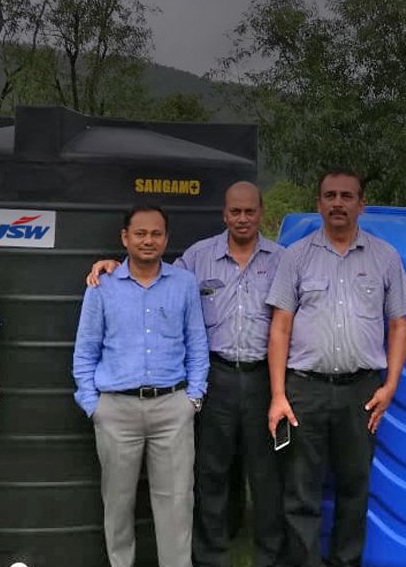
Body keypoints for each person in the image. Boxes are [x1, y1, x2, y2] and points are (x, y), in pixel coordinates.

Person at [86, 181, 286, 566]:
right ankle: (210, 557)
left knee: (265, 475)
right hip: (218, 377)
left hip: (264, 378)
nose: (242, 218)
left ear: (261, 213)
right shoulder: (197, 258)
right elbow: (148, 277)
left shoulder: (282, 259)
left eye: (249, 211)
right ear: (224, 214)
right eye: (235, 211)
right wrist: (111, 265)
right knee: (210, 474)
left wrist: (189, 398)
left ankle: (268, 558)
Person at [265, 168, 406, 567]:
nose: (337, 203)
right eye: (330, 195)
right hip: (304, 390)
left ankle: (346, 562)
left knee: (354, 487)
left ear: (361, 204)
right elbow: (280, 327)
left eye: (346, 196)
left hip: (361, 393)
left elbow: (399, 325)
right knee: (301, 491)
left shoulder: (384, 257)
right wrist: (278, 394)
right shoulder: (296, 256)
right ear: (318, 203)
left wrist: (390, 387)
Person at [73, 204, 210, 567]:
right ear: (125, 238)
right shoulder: (102, 285)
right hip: (116, 410)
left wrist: (193, 398)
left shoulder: (184, 283)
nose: (148, 240)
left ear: (166, 238)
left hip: (172, 408)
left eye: (156, 234)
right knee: (118, 504)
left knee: (177, 503)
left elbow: (197, 344)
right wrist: (93, 405)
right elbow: (85, 349)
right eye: (140, 233)